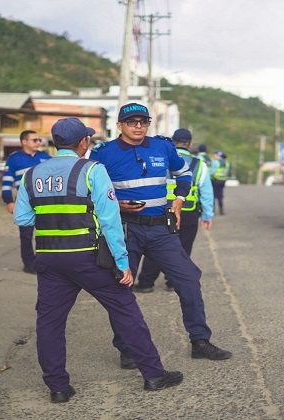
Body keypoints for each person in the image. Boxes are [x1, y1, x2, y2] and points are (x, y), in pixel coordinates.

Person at [13, 117, 183, 403]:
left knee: (50, 323)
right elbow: (109, 219)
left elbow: (23, 218)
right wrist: (122, 261)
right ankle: (153, 375)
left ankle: (57, 387)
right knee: (126, 311)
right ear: (83, 142)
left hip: (50, 259)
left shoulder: (32, 174)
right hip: (89, 258)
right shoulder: (92, 170)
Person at [89, 102, 232, 367]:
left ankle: (200, 341)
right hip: (124, 229)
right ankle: (127, 349)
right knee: (122, 286)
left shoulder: (162, 147)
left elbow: (184, 173)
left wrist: (179, 198)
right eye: (132, 122)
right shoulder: (104, 154)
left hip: (160, 229)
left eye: (143, 122)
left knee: (189, 279)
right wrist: (115, 204)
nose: (138, 127)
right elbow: (89, 189)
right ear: (119, 125)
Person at [136, 128, 215, 293]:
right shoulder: (199, 164)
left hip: (160, 210)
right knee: (183, 248)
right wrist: (207, 215)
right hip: (188, 212)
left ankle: (146, 283)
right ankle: (173, 282)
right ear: (190, 144)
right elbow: (206, 193)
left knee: (155, 246)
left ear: (172, 142)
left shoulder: (159, 160)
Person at [2, 130, 51, 274]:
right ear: (24, 142)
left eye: (39, 140)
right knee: (26, 235)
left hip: (45, 203)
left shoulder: (46, 157)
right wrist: (9, 201)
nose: (38, 143)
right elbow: (6, 182)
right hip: (25, 203)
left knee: (45, 234)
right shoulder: (14, 159)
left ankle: (42, 261)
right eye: (34, 140)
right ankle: (29, 264)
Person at [210, 150, 230, 215]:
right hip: (222, 180)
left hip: (215, 180)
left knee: (213, 196)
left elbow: (211, 172)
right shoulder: (226, 163)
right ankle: (221, 210)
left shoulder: (215, 162)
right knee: (220, 196)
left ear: (218, 155)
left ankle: (213, 211)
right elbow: (227, 172)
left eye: (215, 154)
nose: (214, 156)